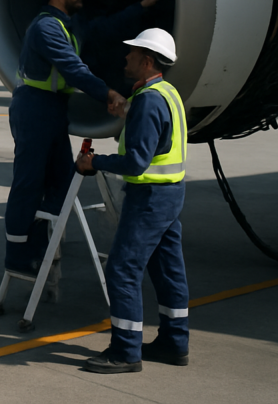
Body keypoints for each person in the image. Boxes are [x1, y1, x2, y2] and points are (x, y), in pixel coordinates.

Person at [5, 0, 169, 273]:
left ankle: (41, 244)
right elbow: (74, 69)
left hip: (53, 109)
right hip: (33, 107)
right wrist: (110, 95)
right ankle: (18, 256)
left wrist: (142, 6)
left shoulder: (71, 23)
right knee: (29, 182)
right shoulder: (45, 27)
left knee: (62, 183)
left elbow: (103, 29)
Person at [77, 28, 189, 374]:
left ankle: (125, 351)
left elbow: (136, 162)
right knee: (169, 272)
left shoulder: (149, 101)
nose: (125, 58)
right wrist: (130, 113)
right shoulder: (166, 93)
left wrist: (94, 162)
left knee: (122, 270)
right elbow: (158, 139)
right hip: (171, 195)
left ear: (147, 60)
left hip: (149, 198)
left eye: (132, 53)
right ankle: (174, 342)